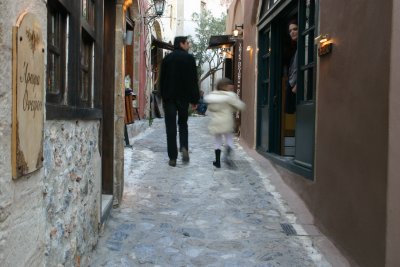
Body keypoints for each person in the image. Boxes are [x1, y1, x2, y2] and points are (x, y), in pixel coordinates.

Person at [159, 36, 200, 167]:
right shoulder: (189, 59)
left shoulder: (167, 59)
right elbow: (193, 80)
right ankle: (183, 147)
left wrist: (162, 96)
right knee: (183, 124)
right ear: (181, 44)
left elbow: (161, 79)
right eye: (187, 43)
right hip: (184, 98)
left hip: (169, 98)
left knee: (170, 127)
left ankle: (172, 158)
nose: (188, 45)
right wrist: (195, 99)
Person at [204, 78, 245, 168]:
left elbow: (210, 108)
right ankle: (227, 155)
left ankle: (217, 162)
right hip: (227, 121)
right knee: (229, 139)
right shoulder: (230, 96)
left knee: (217, 141)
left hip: (216, 121)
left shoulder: (213, 96)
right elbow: (240, 106)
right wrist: (233, 109)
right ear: (226, 86)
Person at [285, 19, 298, 114]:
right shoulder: (295, 48)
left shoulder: (303, 45)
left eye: (295, 29)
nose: (292, 32)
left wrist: (297, 85)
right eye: (290, 31)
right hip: (291, 84)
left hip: (296, 86)